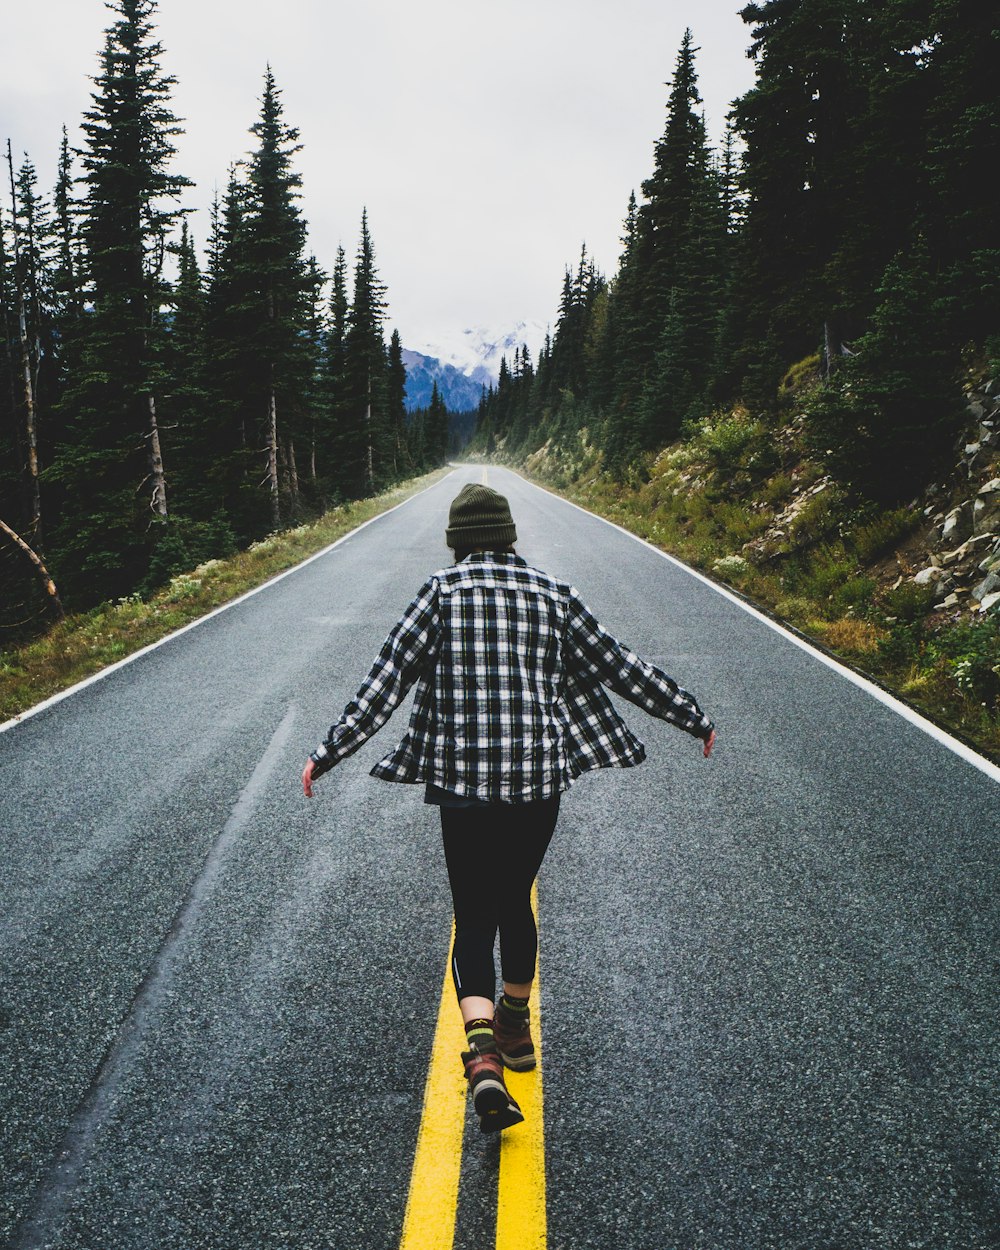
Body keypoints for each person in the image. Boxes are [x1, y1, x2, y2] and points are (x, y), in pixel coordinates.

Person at [302, 482, 715, 1133]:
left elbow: (384, 682)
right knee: (515, 896)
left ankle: (483, 1054)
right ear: (511, 535)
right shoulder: (553, 594)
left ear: (458, 541)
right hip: (536, 783)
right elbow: (621, 666)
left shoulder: (439, 594)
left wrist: (328, 752)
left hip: (463, 785)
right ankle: (517, 1023)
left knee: (473, 911)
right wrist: (691, 716)